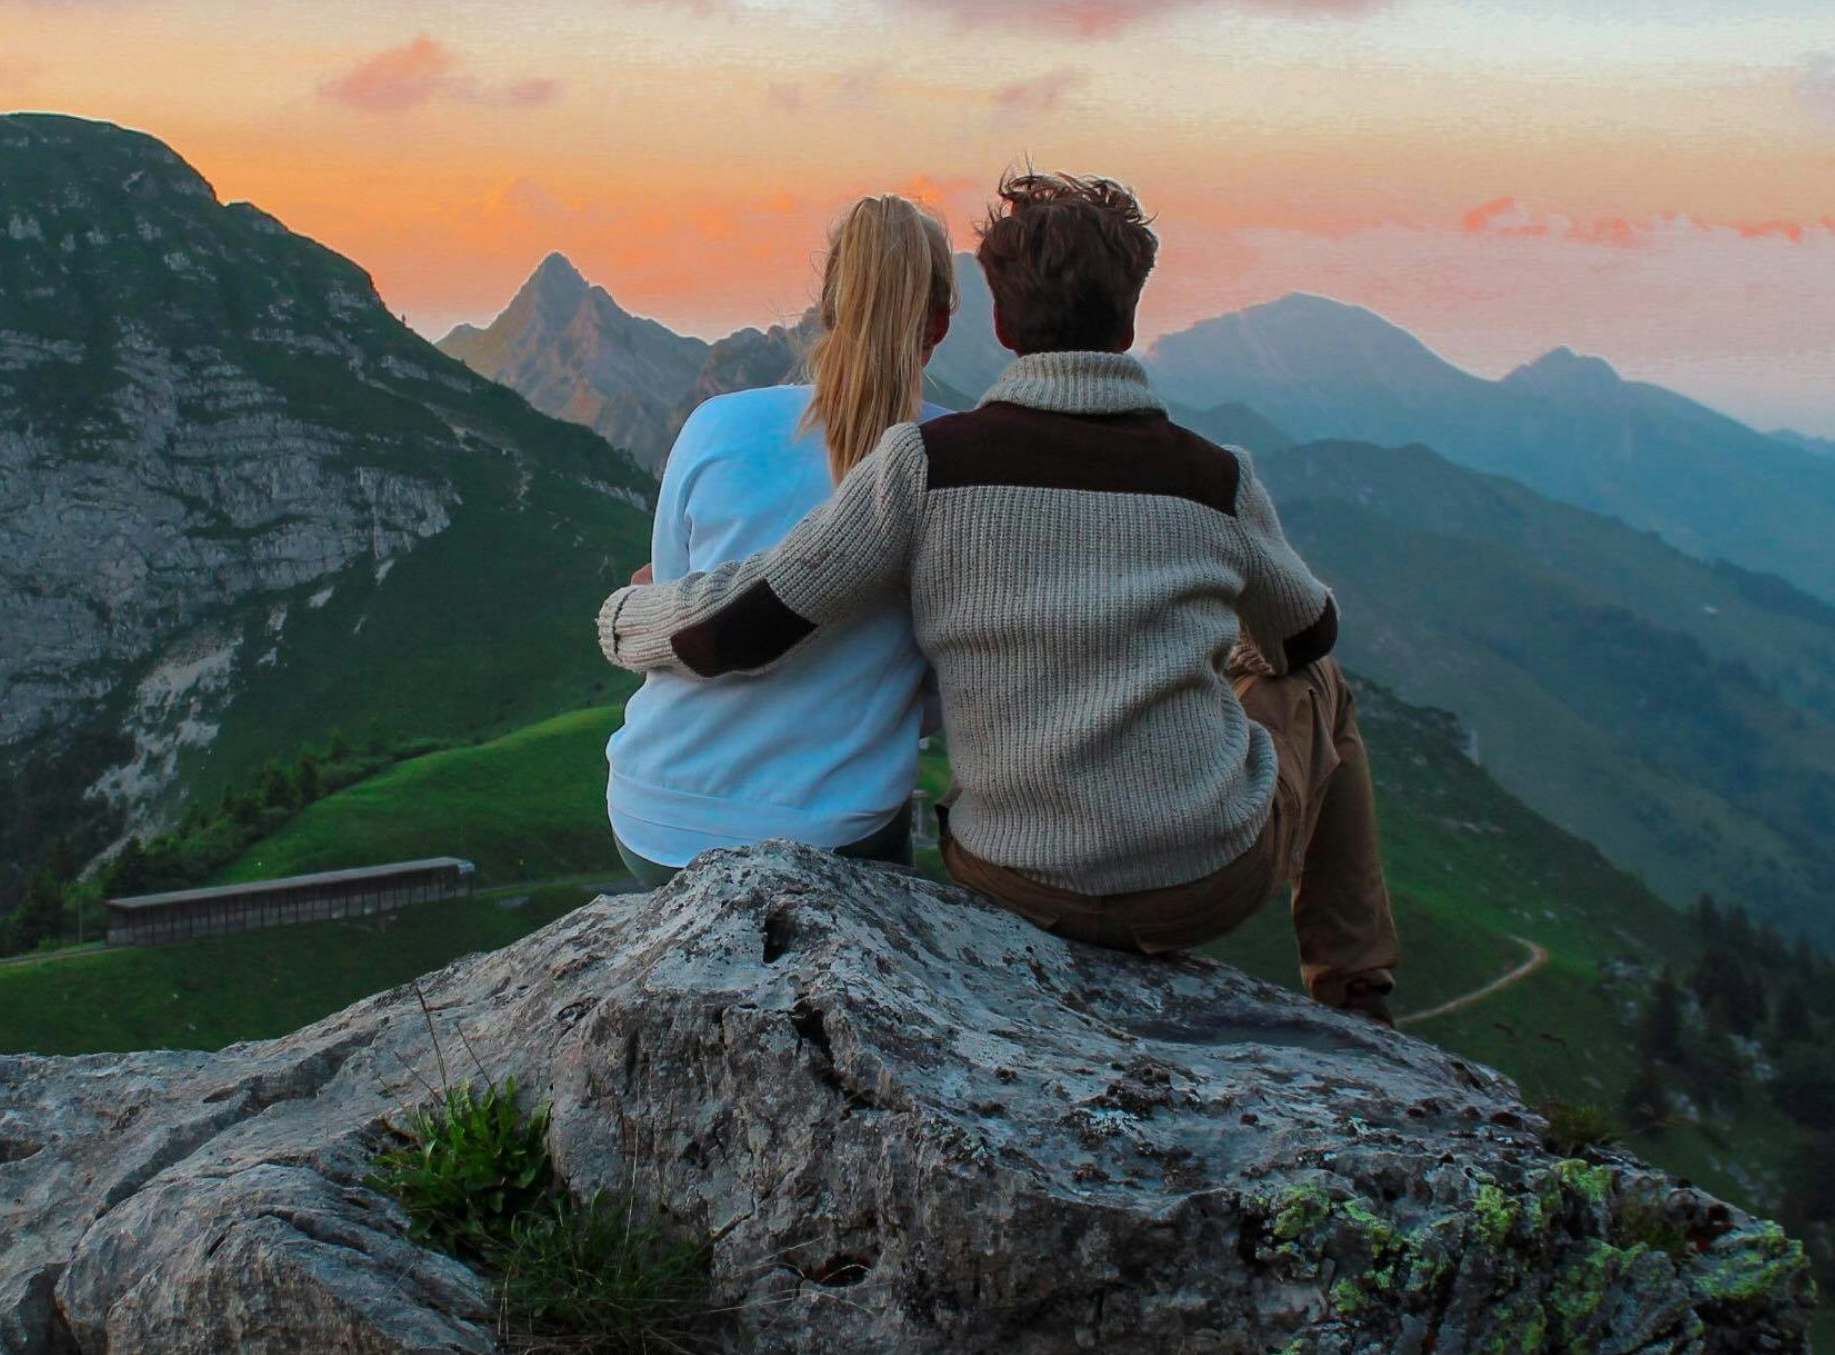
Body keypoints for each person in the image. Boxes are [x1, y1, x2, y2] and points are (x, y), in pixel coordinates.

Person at [596, 171, 1400, 1020]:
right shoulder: (1216, 476)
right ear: (1130, 318)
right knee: (1322, 687)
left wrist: (623, 614)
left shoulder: (927, 463)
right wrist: (1225, 650)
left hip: (1009, 876)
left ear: (1004, 323)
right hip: (1198, 886)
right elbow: (1310, 634)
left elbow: (751, 623)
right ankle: (1357, 989)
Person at [604, 195, 954, 885]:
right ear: (940, 323)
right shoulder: (957, 458)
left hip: (655, 815)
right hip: (833, 830)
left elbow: (676, 604)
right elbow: (952, 669)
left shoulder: (716, 424)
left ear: (825, 308)